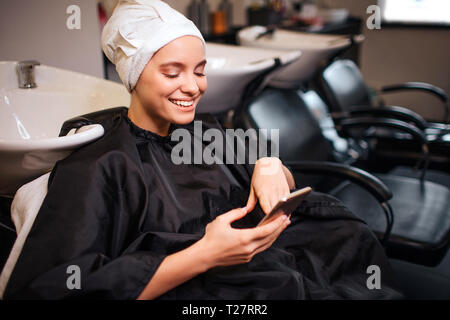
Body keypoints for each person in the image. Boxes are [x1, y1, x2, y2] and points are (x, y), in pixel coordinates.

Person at [4, 0, 402, 300]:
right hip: (206, 287)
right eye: (172, 72)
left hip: (263, 261)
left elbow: (279, 185)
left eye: (200, 70)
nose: (193, 87)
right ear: (133, 73)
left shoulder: (204, 130)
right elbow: (55, 286)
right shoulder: (100, 163)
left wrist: (269, 165)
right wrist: (205, 254)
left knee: (348, 237)